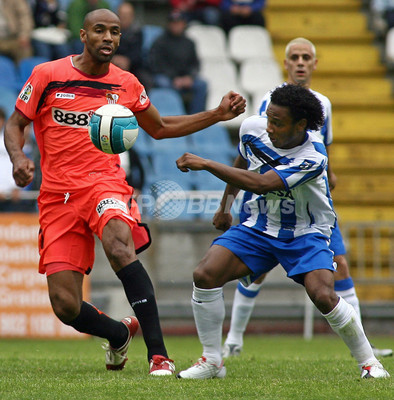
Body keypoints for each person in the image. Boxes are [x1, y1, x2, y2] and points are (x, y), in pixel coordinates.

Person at [4, 8, 246, 376]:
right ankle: (118, 334)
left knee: (119, 244)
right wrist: (19, 156)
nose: (108, 38)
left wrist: (215, 114)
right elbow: (16, 122)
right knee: (65, 304)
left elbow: (160, 127)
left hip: (105, 182)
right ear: (83, 35)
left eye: (115, 32)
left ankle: (159, 355)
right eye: (99, 30)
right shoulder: (47, 75)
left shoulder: (126, 84)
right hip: (57, 196)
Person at [175, 84, 390, 379]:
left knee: (323, 294)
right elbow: (244, 160)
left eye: (278, 122)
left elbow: (262, 183)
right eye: (268, 119)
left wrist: (207, 163)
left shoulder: (313, 156)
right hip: (260, 227)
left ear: (300, 125)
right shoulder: (252, 128)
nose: (270, 127)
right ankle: (213, 361)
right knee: (205, 274)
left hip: (306, 232)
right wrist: (225, 206)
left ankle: (369, 362)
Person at [221, 37, 393, 360]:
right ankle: (234, 339)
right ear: (285, 64)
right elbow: (259, 148)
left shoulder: (323, 103)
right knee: (255, 270)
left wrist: (330, 174)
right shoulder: (270, 101)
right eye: (294, 57)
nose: (300, 62)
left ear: (315, 63)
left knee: (339, 264)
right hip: (274, 197)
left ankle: (365, 346)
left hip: (313, 202)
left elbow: (322, 146)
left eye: (306, 57)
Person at [148, 10, 208, 114]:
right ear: (168, 24)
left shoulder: (189, 42)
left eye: (178, 22)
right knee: (163, 83)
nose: (176, 25)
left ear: (183, 24)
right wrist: (174, 78)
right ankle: (172, 115)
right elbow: (156, 64)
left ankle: (196, 117)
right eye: (173, 23)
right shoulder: (159, 41)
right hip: (167, 77)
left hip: (185, 78)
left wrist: (189, 77)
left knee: (202, 84)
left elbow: (195, 64)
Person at [111, 1, 152, 91]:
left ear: (132, 16)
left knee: (146, 80)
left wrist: (128, 60)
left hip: (133, 66)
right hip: (111, 64)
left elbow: (137, 52)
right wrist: (113, 58)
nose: (125, 18)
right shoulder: (110, 31)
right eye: (122, 15)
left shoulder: (137, 32)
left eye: (127, 15)